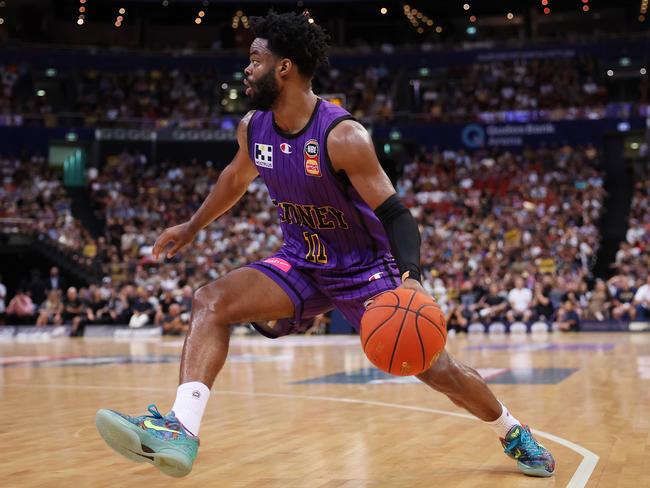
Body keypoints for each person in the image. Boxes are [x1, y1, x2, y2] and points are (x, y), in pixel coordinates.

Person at [95, 11, 554, 479]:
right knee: (210, 301)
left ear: (284, 67)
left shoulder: (343, 136)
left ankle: (511, 431)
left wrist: (412, 280)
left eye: (254, 59)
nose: (246, 69)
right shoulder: (253, 128)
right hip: (302, 262)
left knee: (437, 369)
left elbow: (396, 215)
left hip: (365, 273)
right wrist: (192, 226)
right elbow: (234, 179)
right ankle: (181, 429)